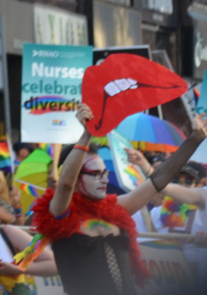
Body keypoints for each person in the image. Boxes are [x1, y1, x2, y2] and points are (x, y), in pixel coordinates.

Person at [32, 104, 207, 295]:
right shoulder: (59, 213)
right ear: (75, 177)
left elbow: (158, 181)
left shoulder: (115, 208)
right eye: (96, 174)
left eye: (104, 172)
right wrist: (88, 134)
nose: (105, 180)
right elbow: (66, 184)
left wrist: (194, 140)